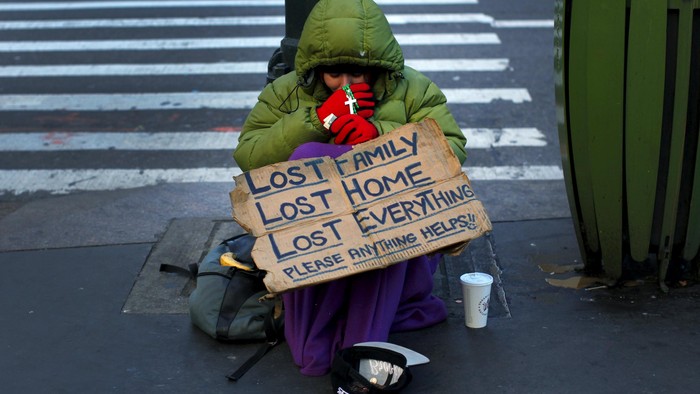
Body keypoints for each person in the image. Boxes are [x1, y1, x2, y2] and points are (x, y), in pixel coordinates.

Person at [233, 0, 467, 376]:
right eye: (334, 75)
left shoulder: (412, 89)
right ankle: (318, 330)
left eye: (357, 75)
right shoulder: (287, 93)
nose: (346, 86)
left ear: (377, 68)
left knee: (378, 206)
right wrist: (317, 119)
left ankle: (363, 339)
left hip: (395, 244)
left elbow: (451, 149)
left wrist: (380, 137)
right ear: (316, 71)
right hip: (321, 244)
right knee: (308, 153)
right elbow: (249, 157)